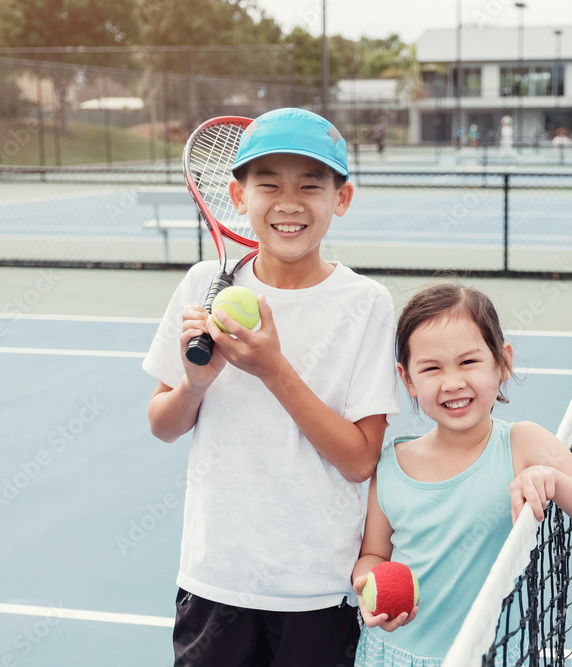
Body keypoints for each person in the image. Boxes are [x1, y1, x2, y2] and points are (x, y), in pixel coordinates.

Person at [143, 107, 402, 667]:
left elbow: (361, 460)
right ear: (238, 198)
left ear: (342, 199)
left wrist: (273, 370)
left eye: (311, 184)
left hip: (317, 590)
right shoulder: (200, 285)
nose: (289, 202)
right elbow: (162, 424)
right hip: (215, 580)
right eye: (269, 184)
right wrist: (194, 384)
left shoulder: (367, 305)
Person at [350, 283, 572, 666]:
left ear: (502, 362)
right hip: (392, 656)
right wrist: (368, 583)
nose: (452, 382)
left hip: (491, 657)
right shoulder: (389, 464)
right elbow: (373, 554)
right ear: (408, 380)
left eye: (468, 362)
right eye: (431, 368)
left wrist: (554, 481)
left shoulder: (524, 445)